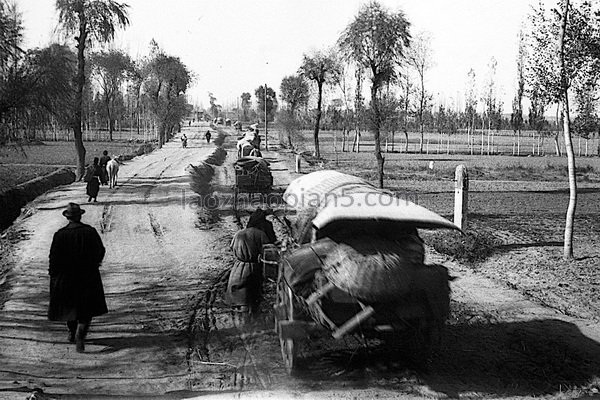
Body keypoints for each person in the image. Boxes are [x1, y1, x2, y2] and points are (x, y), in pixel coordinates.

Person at [48, 203, 107, 353]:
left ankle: (72, 332)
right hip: (87, 276)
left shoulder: (60, 234)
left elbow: (54, 257)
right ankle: (81, 335)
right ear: (80, 216)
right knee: (86, 309)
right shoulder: (90, 232)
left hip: (66, 277)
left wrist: (53, 274)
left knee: (70, 306)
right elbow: (100, 251)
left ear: (68, 218)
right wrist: (94, 263)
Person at [226, 208, 276, 323]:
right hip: (253, 267)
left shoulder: (239, 233)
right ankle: (252, 321)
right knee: (252, 293)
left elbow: (231, 248)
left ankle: (240, 319)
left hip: (238, 266)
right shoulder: (260, 234)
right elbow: (268, 251)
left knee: (238, 291)